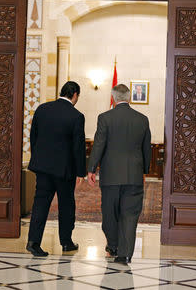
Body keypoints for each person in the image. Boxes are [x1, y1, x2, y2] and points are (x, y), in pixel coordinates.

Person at [87, 84, 151, 265]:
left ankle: (113, 246)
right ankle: (125, 254)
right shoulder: (142, 119)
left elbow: (98, 145)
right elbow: (147, 149)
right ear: (129, 98)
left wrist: (91, 169)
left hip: (111, 177)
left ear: (113, 98)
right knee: (130, 215)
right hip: (134, 175)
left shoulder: (105, 118)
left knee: (109, 213)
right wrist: (144, 171)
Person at [26, 81, 86, 257]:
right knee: (66, 206)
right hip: (64, 170)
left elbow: (33, 137)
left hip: (43, 167)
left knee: (40, 204)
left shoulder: (42, 109)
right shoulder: (76, 116)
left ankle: (33, 241)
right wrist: (80, 172)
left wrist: (38, 158)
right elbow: (78, 147)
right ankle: (66, 242)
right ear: (74, 94)